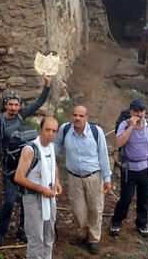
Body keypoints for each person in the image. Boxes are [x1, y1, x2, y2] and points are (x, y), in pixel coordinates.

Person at [0, 75, 54, 248]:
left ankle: (22, 228)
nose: (14, 108)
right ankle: (0, 233)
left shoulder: (22, 116)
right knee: (9, 201)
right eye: (10, 104)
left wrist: (47, 84)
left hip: (26, 164)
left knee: (26, 199)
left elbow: (39, 102)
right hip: (9, 167)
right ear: (5, 105)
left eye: (17, 105)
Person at [53, 105, 112, 255]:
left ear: (87, 118)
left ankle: (94, 239)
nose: (77, 118)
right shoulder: (65, 130)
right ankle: (82, 233)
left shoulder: (96, 132)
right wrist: (47, 158)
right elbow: (57, 146)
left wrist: (107, 178)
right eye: (75, 115)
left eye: (81, 116)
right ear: (71, 116)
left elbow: (104, 156)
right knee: (78, 208)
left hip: (94, 177)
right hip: (74, 178)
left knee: (96, 208)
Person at [109, 99, 148, 239]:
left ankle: (142, 225)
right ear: (130, 112)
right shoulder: (124, 125)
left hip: (145, 168)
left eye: (141, 111)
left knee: (144, 198)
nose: (139, 114)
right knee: (126, 198)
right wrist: (131, 127)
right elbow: (119, 142)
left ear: (144, 112)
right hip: (129, 170)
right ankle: (116, 222)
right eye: (135, 112)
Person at [14, 116, 62, 259]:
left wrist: (57, 181)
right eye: (47, 130)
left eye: (54, 131)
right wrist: (42, 189)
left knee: (48, 237)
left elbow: (54, 166)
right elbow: (19, 177)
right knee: (36, 240)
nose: (50, 134)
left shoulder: (51, 147)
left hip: (49, 196)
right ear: (40, 130)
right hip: (33, 198)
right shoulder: (30, 150)